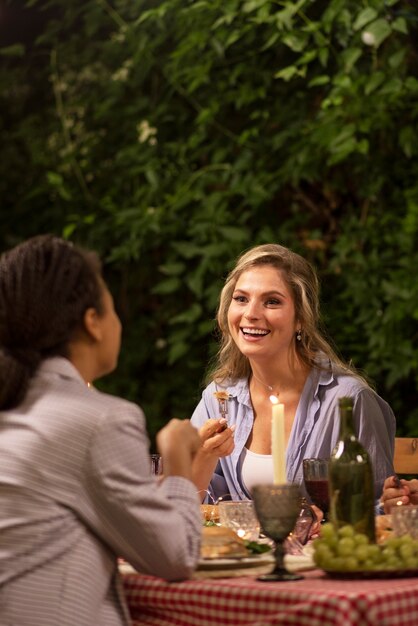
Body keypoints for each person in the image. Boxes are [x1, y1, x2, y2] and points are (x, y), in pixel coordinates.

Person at [0, 235, 202, 626]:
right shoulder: (99, 421)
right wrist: (178, 459)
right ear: (93, 322)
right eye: (113, 308)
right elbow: (176, 557)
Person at [191, 243, 396, 507]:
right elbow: (188, 506)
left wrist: (322, 523)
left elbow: (381, 509)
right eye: (241, 298)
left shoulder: (348, 401)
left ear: (301, 317)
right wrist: (204, 457)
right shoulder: (218, 397)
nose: (251, 314)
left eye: (272, 301)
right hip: (241, 548)